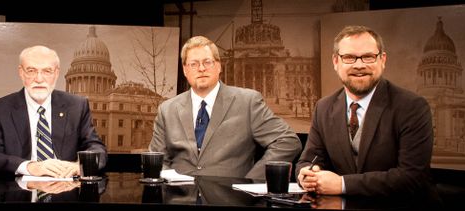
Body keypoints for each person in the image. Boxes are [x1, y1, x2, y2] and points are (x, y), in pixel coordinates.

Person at [296, 25, 438, 198]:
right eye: (349, 57)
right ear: (335, 62)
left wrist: (342, 184)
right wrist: (307, 175)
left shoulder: (412, 107)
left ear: (382, 60)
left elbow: (413, 177)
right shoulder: (323, 107)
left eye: (368, 57)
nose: (359, 65)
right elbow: (307, 161)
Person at [149, 36, 301, 180]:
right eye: (193, 64)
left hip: (230, 201)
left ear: (219, 66)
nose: (201, 68)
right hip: (179, 199)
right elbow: (156, 159)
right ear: (185, 70)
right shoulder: (167, 110)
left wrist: (252, 180)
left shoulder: (247, 102)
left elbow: (287, 141)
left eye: (207, 62)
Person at [0, 45, 107, 178]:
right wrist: (30, 167)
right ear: (21, 72)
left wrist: (79, 166)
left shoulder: (77, 106)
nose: (39, 79)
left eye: (47, 71)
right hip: (18, 192)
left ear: (56, 73)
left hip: (66, 190)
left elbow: (97, 148)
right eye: (31, 70)